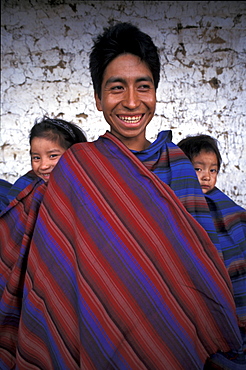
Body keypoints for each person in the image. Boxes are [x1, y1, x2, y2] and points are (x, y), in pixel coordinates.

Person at [0, 22, 244, 370]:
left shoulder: (177, 164)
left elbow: (200, 261)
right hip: (96, 325)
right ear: (99, 98)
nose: (131, 101)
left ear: (155, 93)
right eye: (117, 88)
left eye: (142, 87)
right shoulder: (79, 164)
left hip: (170, 325)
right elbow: (57, 252)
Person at [178, 134, 246, 368]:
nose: (206, 176)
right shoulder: (175, 202)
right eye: (198, 169)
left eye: (213, 170)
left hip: (228, 280)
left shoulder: (225, 205)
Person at [0, 116, 87, 212]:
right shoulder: (26, 186)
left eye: (53, 156)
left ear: (74, 154)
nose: (43, 166)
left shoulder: (86, 185)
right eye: (36, 158)